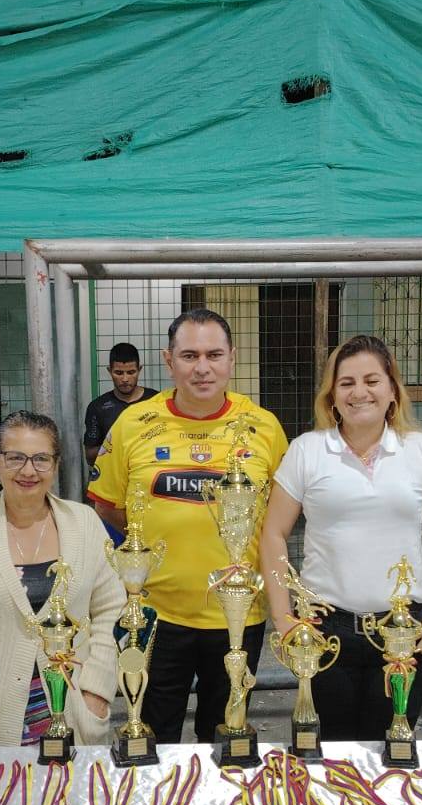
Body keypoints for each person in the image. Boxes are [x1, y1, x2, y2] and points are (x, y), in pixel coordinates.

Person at [88, 308, 288, 743]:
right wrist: (151, 544)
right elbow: (106, 504)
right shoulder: (132, 424)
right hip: (156, 615)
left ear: (232, 358)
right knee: (152, 736)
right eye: (189, 355)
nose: (202, 368)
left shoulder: (265, 428)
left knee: (226, 739)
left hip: (238, 615)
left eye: (214, 355)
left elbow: (280, 518)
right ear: (169, 360)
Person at [259, 335, 422, 739]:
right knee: (334, 750)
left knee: (394, 747)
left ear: (392, 390)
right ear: (332, 395)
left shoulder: (419, 449)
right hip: (326, 631)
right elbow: (274, 534)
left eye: (372, 380)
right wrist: (283, 618)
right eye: (346, 382)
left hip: (403, 631)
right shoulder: (307, 450)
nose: (359, 392)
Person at [0, 411, 122, 747]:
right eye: (15, 458)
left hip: (74, 707)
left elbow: (110, 609)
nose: (28, 471)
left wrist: (97, 690)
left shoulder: (85, 523)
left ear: (55, 465)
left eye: (41, 459)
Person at [85, 343, 158, 464]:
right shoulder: (97, 407)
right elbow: (90, 457)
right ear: (110, 371)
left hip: (149, 471)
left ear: (139, 370)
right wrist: (115, 444)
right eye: (118, 373)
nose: (125, 379)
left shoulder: (156, 401)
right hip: (113, 473)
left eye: (131, 372)